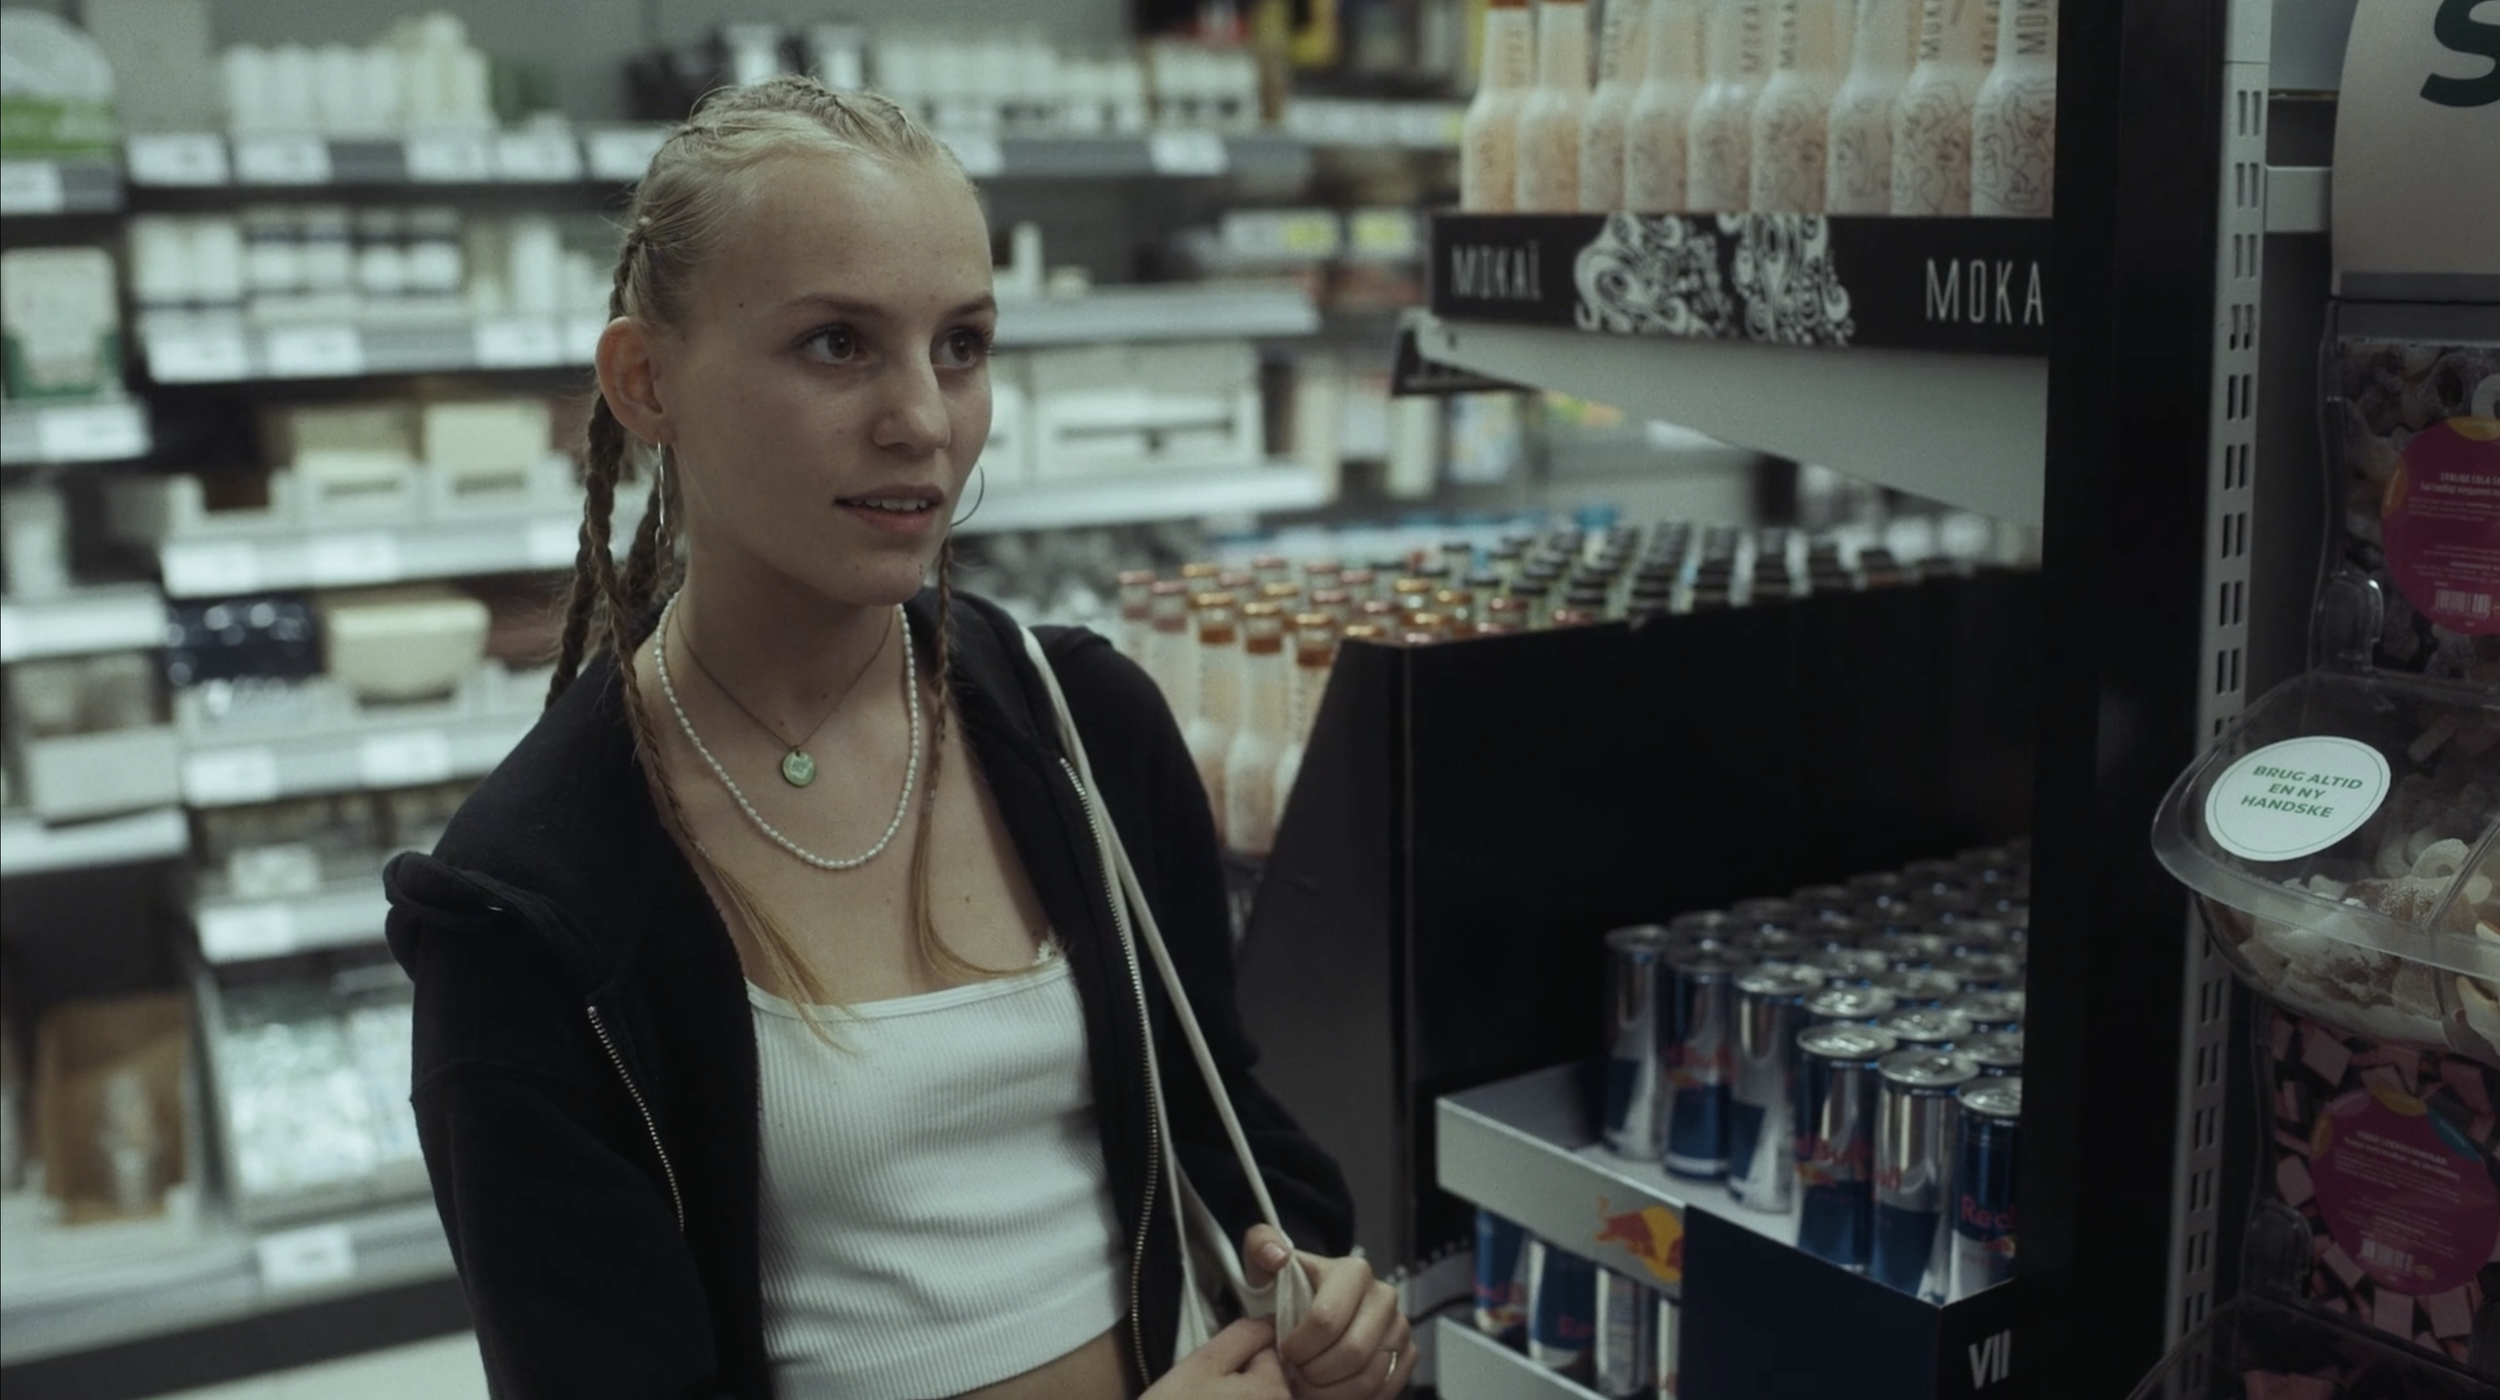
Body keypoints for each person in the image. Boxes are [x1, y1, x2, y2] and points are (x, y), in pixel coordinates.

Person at [382, 76, 1409, 1400]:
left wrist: (1321, 1301)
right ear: (645, 380)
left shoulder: (1086, 727)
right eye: (836, 344)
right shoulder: (524, 915)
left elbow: (1221, 1122)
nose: (924, 420)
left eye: (961, 345)